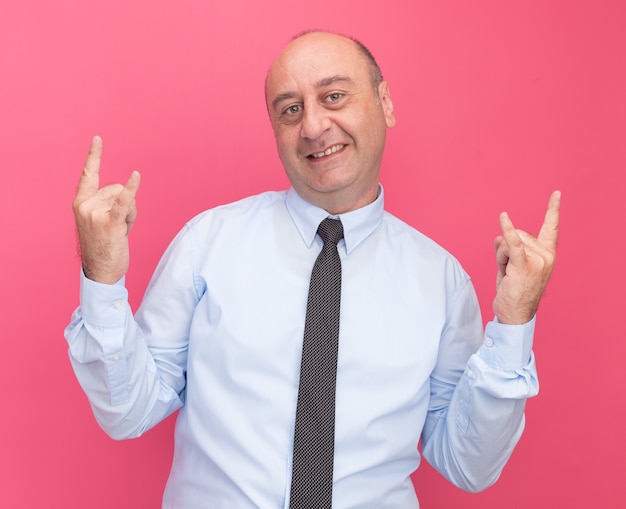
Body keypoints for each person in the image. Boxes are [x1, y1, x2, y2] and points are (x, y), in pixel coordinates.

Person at [65, 30, 560, 508]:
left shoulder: (442, 281)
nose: (314, 126)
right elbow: (128, 411)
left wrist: (514, 324)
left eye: (335, 96)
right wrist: (101, 275)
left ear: (385, 103)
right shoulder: (207, 244)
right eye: (290, 109)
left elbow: (469, 465)